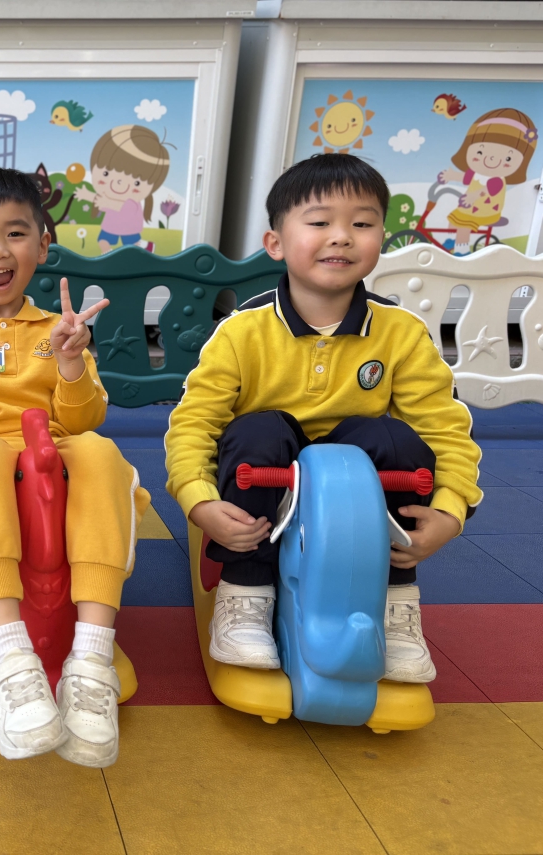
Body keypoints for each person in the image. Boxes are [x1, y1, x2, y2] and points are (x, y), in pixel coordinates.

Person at [165, 153, 482, 683]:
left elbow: (444, 430)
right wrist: (198, 499)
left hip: (356, 481)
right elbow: (195, 422)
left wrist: (450, 511)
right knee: (257, 428)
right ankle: (245, 592)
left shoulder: (401, 333)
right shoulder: (241, 332)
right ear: (275, 243)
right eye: (319, 222)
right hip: (268, 475)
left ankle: (394, 599)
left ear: (381, 238)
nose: (341, 237)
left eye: (362, 224)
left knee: (398, 440)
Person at [0, 167, 150, 768]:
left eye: (15, 234)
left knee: (103, 455)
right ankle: (12, 658)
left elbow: (86, 418)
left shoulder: (60, 330)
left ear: (42, 245)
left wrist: (70, 363)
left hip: (55, 449)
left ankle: (91, 658)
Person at [439, 107, 537, 256]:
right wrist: (451, 175)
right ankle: (452, 240)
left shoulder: (497, 180)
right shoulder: (477, 173)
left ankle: (462, 250)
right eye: (480, 151)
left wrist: (473, 196)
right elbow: (464, 177)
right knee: (452, 220)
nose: (491, 159)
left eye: (508, 158)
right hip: (469, 208)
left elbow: (485, 191)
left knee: (463, 226)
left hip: (486, 210)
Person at [73, 125, 168, 254]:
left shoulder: (132, 203)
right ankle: (107, 254)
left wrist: (96, 199)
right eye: (106, 173)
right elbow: (102, 201)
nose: (119, 183)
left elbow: (114, 205)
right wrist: (86, 195)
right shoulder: (109, 198)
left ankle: (146, 246)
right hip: (110, 226)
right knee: (103, 240)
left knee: (132, 244)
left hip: (129, 228)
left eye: (136, 182)